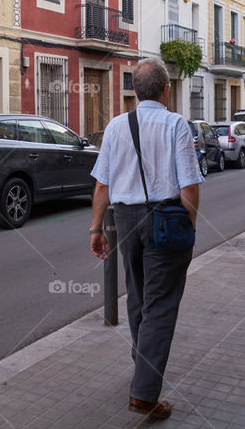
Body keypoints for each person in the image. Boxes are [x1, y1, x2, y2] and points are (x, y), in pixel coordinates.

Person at [89, 58, 203, 421]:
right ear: (166, 89)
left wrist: (95, 229)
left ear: (136, 92)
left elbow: (102, 185)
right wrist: (190, 226)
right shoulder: (176, 125)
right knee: (161, 305)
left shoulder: (116, 126)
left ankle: (142, 366)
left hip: (124, 218)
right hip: (165, 218)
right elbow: (188, 184)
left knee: (138, 297)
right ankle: (144, 392)